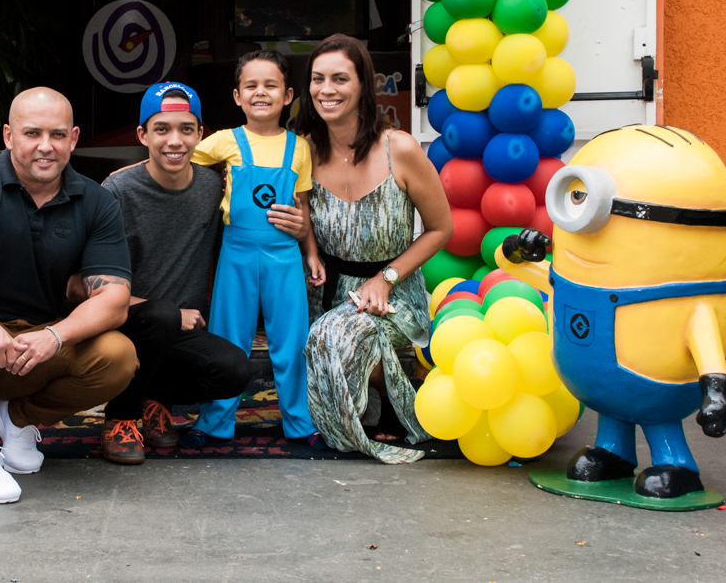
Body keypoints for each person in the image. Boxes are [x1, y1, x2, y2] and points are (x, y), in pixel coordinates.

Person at [0, 88, 138, 504]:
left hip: (33, 348)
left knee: (117, 355)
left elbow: (114, 298)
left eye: (57, 135)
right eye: (32, 133)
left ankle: (16, 419)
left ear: (73, 138)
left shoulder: (96, 201)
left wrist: (55, 336)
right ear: (8, 135)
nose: (45, 146)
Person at [274, 35, 453, 463]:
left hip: (393, 292)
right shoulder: (302, 150)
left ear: (363, 86)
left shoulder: (400, 148)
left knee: (331, 337)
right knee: (303, 335)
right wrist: (299, 231)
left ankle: (386, 406)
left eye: (340, 78)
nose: (326, 89)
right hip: (325, 290)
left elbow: (441, 229)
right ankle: (367, 402)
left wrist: (385, 278)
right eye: (318, 79)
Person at [74, 82, 252, 463]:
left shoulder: (213, 187)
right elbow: (79, 285)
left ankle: (155, 401)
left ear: (200, 134)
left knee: (235, 370)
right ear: (142, 135)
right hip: (126, 323)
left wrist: (298, 225)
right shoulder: (118, 190)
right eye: (162, 129)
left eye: (186, 129)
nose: (175, 140)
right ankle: (121, 419)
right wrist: (169, 312)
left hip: (179, 331)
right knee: (162, 315)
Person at [185, 51, 324, 447]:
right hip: (237, 253)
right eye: (251, 86)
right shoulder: (224, 141)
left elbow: (303, 206)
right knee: (228, 337)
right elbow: (176, 162)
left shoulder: (300, 148)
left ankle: (301, 423)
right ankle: (214, 422)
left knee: (292, 342)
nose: (260, 92)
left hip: (286, 255)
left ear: (288, 96)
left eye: (270, 85)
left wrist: (311, 252)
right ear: (237, 96)